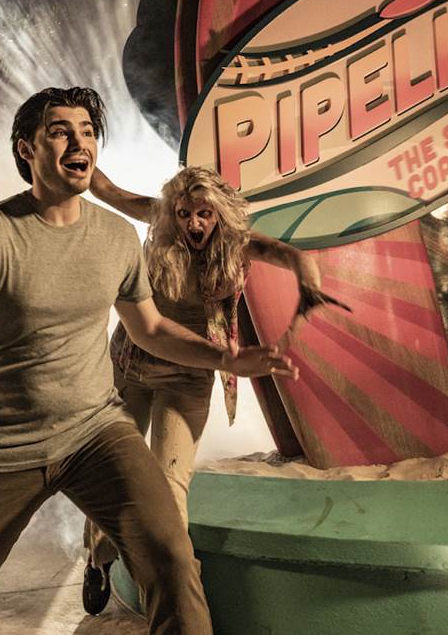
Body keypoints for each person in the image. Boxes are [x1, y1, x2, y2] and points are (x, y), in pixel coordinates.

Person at [0, 87, 294, 635]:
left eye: (86, 132)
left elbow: (150, 330)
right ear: (26, 148)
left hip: (95, 432)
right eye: (60, 132)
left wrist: (228, 358)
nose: (79, 143)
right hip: (2, 446)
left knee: (173, 561)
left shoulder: (117, 237)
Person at [80, 164, 332, 613]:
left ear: (219, 214)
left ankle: (176, 602)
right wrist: (73, 144)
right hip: (129, 368)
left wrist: (309, 287)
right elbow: (106, 189)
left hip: (188, 377)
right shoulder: (158, 218)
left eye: (204, 214)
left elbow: (293, 257)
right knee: (110, 476)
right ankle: (98, 561)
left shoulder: (237, 245)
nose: (193, 224)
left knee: (169, 486)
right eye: (184, 214)